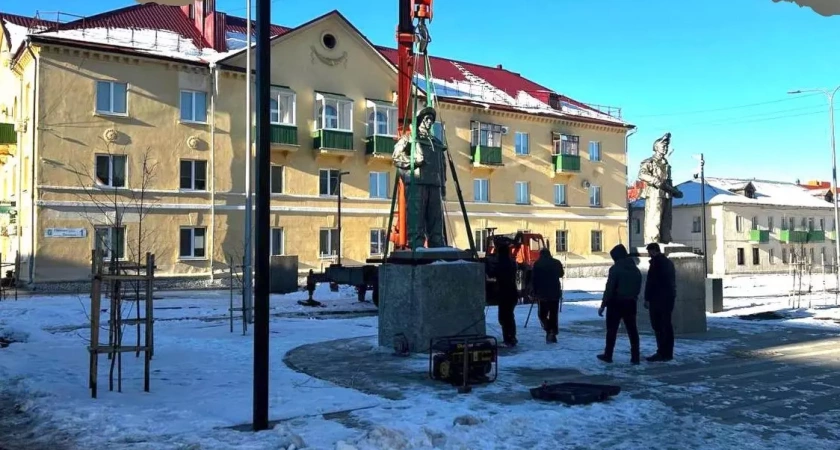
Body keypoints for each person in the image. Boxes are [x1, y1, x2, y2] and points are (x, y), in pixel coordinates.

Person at [597, 244, 642, 365]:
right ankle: (635, 356)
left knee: (612, 330)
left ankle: (608, 354)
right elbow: (638, 287)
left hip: (615, 303)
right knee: (632, 330)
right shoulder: (635, 269)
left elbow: (610, 288)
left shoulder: (615, 269)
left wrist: (603, 305)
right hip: (631, 302)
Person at [644, 243, 676, 362]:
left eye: (649, 252)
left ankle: (662, 352)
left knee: (658, 326)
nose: (648, 254)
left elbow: (651, 282)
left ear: (653, 251)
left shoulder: (656, 264)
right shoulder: (668, 262)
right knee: (666, 325)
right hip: (668, 298)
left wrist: (647, 298)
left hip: (658, 299)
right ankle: (668, 353)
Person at [532, 248, 564, 344]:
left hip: (542, 294)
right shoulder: (556, 262)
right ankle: (552, 332)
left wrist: (534, 291)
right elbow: (561, 274)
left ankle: (549, 329)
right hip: (554, 292)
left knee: (542, 314)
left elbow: (534, 279)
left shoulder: (537, 264)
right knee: (554, 314)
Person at [494, 242, 519, 347]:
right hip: (512, 293)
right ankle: (511, 337)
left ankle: (508, 338)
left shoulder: (500, 263)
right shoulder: (512, 262)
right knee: (509, 316)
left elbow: (493, 273)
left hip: (504, 294)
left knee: (503, 317)